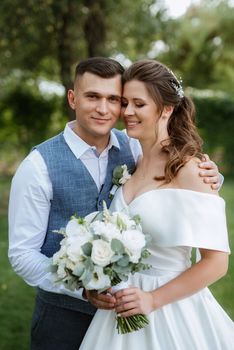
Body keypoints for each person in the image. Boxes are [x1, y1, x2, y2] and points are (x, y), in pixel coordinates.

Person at [8, 57, 221, 350]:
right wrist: (82, 287)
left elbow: (176, 182)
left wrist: (211, 177)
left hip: (148, 309)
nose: (106, 109)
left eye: (115, 99)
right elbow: (22, 254)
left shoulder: (133, 146)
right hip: (63, 319)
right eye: (93, 96)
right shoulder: (37, 167)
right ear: (72, 98)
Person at [79, 60, 234, 350]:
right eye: (125, 102)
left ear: (166, 108)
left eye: (139, 104)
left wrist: (152, 299)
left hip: (170, 309)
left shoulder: (192, 170)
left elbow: (216, 263)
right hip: (119, 309)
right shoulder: (131, 161)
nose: (126, 112)